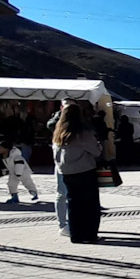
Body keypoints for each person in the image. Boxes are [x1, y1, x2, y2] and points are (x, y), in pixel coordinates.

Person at [52, 105, 102, 244]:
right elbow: (96, 151)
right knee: (90, 205)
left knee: (74, 204)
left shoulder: (58, 134)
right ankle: (90, 234)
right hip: (84, 170)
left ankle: (76, 235)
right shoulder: (82, 134)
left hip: (66, 172)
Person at [50, 99, 76, 235]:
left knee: (72, 194)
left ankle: (73, 222)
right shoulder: (56, 122)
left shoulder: (78, 121)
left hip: (74, 163)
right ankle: (63, 224)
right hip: (63, 163)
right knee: (62, 193)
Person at [0, 140, 38, 204]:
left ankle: (33, 193)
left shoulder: (16, 156)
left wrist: (18, 173)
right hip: (13, 172)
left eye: (0, 148)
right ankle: (14, 196)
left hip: (23, 172)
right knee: (11, 184)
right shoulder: (2, 156)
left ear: (6, 148)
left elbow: (20, 164)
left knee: (27, 183)